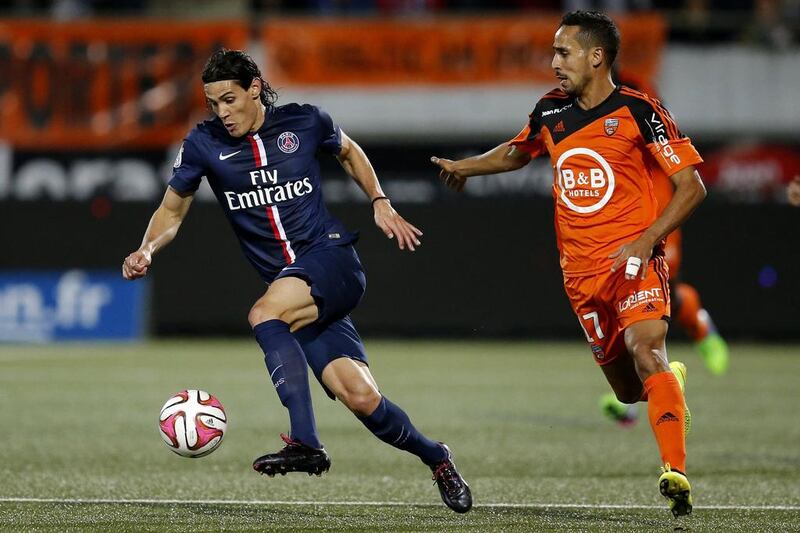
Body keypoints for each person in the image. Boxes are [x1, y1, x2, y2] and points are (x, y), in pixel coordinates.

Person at [122, 49, 471, 513]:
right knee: (360, 396)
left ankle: (306, 441)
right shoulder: (203, 145)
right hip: (295, 291)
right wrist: (147, 248)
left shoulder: (305, 122)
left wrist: (379, 199)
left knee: (264, 312)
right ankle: (438, 458)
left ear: (253, 87)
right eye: (213, 104)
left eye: (229, 99)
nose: (222, 112)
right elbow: (171, 209)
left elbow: (348, 151)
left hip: (331, 260)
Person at [431, 11, 704, 518]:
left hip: (632, 262)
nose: (553, 62)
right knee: (628, 389)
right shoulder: (550, 111)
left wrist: (646, 242)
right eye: (554, 53)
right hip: (580, 275)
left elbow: (692, 186)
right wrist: (464, 167)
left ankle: (676, 474)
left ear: (596, 56)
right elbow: (518, 153)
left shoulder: (640, 111)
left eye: (563, 52)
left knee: (646, 350)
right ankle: (672, 382)